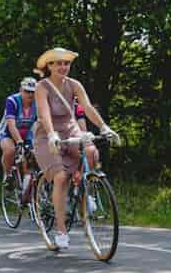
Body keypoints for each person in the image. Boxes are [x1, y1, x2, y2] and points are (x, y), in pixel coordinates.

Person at [32, 47, 117, 252]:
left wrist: (104, 127)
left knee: (91, 151)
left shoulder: (74, 84)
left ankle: (86, 186)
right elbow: (44, 114)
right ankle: (61, 230)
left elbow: (87, 108)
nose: (63, 67)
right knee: (61, 177)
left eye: (66, 63)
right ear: (49, 66)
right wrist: (52, 134)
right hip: (47, 134)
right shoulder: (42, 87)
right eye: (58, 63)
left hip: (70, 129)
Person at [0, 76, 40, 181]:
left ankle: (26, 193)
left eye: (33, 92)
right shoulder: (12, 101)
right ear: (21, 90)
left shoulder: (38, 103)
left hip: (26, 134)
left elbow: (39, 124)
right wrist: (19, 141)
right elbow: (11, 124)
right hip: (7, 132)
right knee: (10, 151)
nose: (30, 94)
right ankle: (8, 175)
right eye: (27, 91)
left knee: (31, 159)